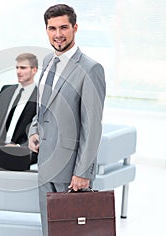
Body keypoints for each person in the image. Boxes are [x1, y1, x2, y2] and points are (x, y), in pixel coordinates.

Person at [28, 4, 106, 235]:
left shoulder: (90, 68)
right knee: (49, 229)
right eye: (52, 28)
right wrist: (34, 131)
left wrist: (83, 172)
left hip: (71, 169)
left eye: (63, 27)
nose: (58, 34)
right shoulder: (47, 63)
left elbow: (92, 126)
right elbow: (41, 106)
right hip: (45, 163)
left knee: (72, 231)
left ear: (75, 28)